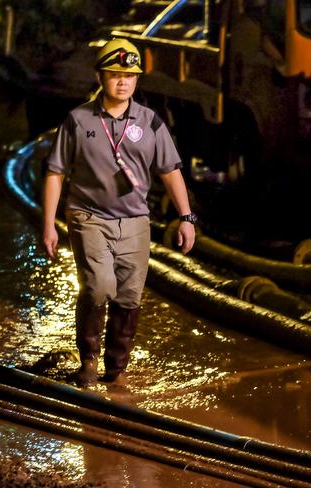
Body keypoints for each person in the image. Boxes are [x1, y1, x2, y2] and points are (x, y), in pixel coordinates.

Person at [42, 38, 197, 387]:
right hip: (88, 217)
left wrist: (186, 218)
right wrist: (49, 224)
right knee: (98, 288)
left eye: (129, 75)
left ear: (138, 80)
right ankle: (89, 362)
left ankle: (116, 370)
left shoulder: (151, 123)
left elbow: (170, 170)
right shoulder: (78, 121)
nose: (122, 81)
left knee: (130, 296)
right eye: (114, 74)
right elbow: (55, 173)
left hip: (136, 222)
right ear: (100, 77)